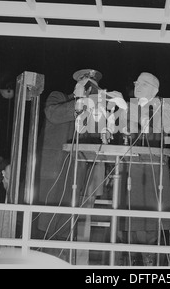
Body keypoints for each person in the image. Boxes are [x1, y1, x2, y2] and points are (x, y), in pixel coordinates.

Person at [34, 69, 123, 262]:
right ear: (76, 84)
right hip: (53, 167)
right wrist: (82, 101)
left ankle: (62, 260)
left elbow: (101, 135)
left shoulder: (93, 109)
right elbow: (53, 114)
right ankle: (40, 260)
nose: (88, 87)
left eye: (92, 85)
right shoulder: (58, 97)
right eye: (85, 83)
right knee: (45, 218)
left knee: (68, 218)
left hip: (76, 168)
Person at [116, 72, 170, 266]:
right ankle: (130, 258)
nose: (137, 86)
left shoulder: (162, 105)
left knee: (149, 214)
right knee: (130, 213)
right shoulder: (130, 105)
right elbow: (123, 130)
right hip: (132, 167)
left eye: (143, 84)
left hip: (152, 169)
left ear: (154, 90)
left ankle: (149, 260)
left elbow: (162, 127)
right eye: (136, 83)